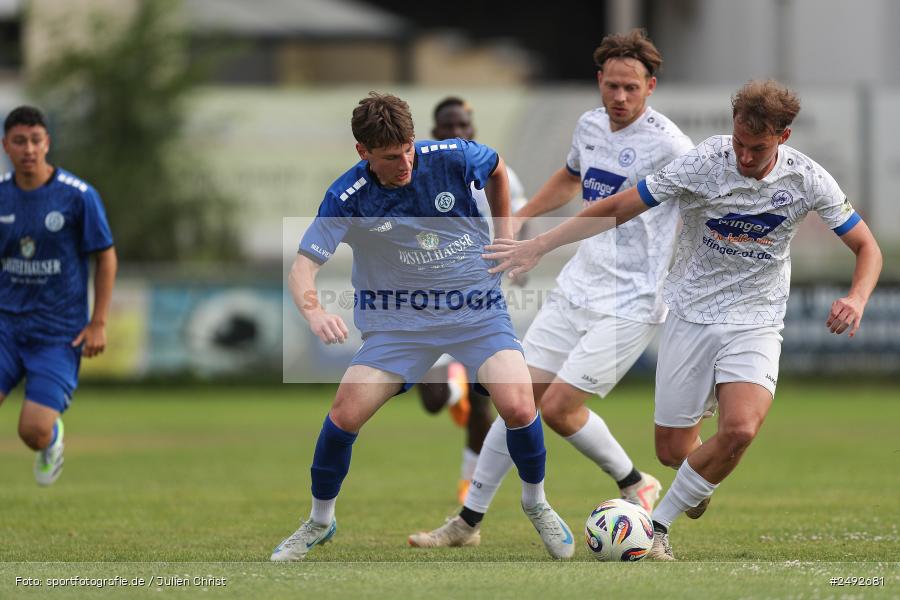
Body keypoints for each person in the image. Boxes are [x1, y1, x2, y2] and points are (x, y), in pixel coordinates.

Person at [483, 79, 882, 560]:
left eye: (757, 148)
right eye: (738, 142)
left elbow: (867, 246)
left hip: (755, 318)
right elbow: (618, 206)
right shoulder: (705, 162)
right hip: (690, 315)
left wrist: (857, 298)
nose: (744, 156)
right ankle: (699, 477)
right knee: (673, 453)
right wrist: (539, 244)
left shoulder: (808, 179)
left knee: (739, 431)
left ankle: (656, 529)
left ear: (784, 137)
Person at [409, 28, 693, 550]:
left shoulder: (671, 145)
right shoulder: (589, 125)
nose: (620, 97)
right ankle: (467, 523)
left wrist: (537, 245)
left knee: (559, 407)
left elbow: (606, 212)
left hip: (631, 301)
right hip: (578, 286)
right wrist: (519, 216)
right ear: (599, 81)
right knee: (516, 398)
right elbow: (570, 177)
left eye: (632, 87)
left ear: (650, 86)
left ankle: (634, 481)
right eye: (612, 86)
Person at [270, 92, 575, 561]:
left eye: (409, 148)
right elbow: (301, 268)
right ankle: (319, 520)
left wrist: (505, 235)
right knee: (344, 414)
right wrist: (314, 311)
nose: (406, 162)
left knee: (517, 403)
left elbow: (496, 167)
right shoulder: (348, 196)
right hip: (400, 327)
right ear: (363, 153)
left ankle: (536, 504)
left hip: (476, 312)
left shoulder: (449, 156)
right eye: (392, 157)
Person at [415, 96, 531, 505]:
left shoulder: (498, 171)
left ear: (472, 131)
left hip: (481, 297)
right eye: (447, 127)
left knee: (486, 400)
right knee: (431, 399)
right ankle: (452, 391)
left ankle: (468, 489)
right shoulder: (418, 171)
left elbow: (519, 214)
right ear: (435, 134)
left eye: (462, 126)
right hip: (427, 299)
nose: (456, 133)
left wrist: (515, 256)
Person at [0, 105, 117, 486]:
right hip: (6, 326)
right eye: (20, 141)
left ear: (47, 142)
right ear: (6, 146)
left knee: (31, 431)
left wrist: (98, 322)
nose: (28, 149)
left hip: (57, 332)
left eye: (36, 140)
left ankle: (50, 439)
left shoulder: (78, 196)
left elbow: (105, 256)